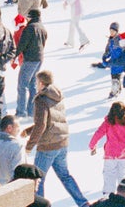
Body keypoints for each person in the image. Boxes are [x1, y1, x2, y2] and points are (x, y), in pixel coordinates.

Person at [27, 70, 90, 207]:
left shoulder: (41, 99)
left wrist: (29, 146)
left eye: (37, 82)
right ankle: (83, 203)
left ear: (41, 83)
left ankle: (39, 205)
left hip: (48, 146)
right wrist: (28, 130)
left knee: (38, 179)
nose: (36, 84)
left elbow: (42, 124)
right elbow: (52, 120)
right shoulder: (57, 96)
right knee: (65, 176)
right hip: (62, 142)